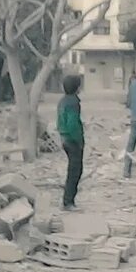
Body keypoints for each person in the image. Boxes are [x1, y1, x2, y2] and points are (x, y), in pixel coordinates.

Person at [56, 74, 85, 212]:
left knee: (73, 170)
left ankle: (68, 200)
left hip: (64, 138)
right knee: (75, 171)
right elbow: (73, 124)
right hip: (72, 140)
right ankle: (68, 202)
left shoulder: (62, 101)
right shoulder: (73, 102)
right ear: (77, 87)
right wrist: (79, 140)